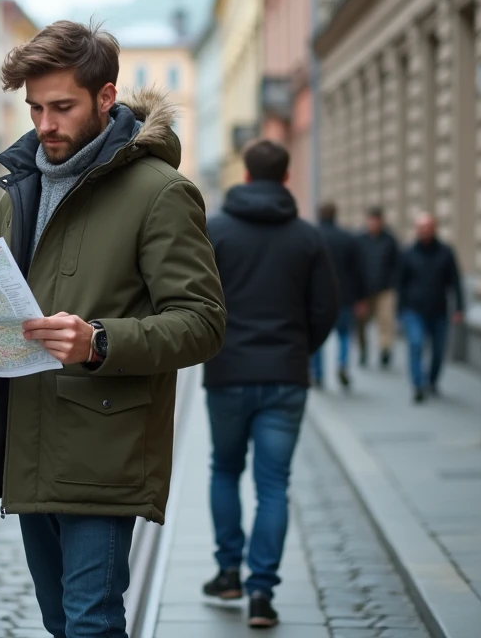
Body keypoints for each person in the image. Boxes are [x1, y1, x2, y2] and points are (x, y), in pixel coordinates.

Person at [0, 20, 227, 638]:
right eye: (34, 108)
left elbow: (203, 324)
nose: (44, 125)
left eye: (61, 107)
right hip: (27, 437)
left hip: (104, 445)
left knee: (89, 623)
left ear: (106, 98)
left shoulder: (161, 192)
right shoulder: (19, 189)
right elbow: (5, 318)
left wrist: (98, 341)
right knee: (61, 621)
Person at [202, 140, 338, 627]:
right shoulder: (306, 237)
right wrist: (298, 349)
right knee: (274, 485)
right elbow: (325, 310)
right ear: (286, 178)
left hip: (227, 373)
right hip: (286, 376)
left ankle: (228, 572)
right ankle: (262, 594)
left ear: (244, 175)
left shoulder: (215, 230)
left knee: (224, 470)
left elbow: (197, 302)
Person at [397, 212, 464, 403]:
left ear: (434, 229)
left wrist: (459, 307)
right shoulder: (408, 253)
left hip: (439, 310)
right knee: (416, 345)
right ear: (416, 230)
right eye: (421, 228)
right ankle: (417, 385)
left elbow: (455, 281)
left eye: (428, 227)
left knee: (438, 351)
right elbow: (400, 284)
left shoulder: (445, 252)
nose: (424, 231)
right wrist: (399, 312)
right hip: (413, 310)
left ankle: (432, 381)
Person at [312, 201, 366, 390]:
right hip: (345, 296)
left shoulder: (313, 236)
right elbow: (358, 270)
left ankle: (317, 374)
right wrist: (360, 298)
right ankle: (342, 364)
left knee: (317, 337)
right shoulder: (348, 238)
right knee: (344, 334)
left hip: (317, 298)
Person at [356, 205, 400, 369]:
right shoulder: (360, 240)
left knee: (386, 320)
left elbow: (397, 264)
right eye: (371, 220)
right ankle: (363, 350)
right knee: (360, 322)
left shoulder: (389, 240)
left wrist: (394, 283)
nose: (374, 223)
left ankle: (385, 350)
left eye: (377, 220)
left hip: (385, 289)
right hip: (364, 290)